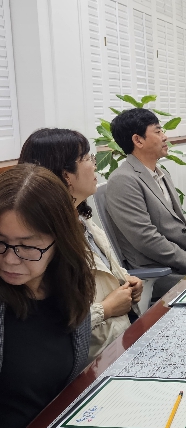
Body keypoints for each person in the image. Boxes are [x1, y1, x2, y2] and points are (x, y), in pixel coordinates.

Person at [18, 128, 143, 360]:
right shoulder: (43, 240)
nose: (94, 165)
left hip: (121, 335)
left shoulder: (81, 219)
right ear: (66, 174)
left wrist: (126, 280)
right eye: (87, 158)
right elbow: (49, 323)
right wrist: (106, 309)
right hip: (94, 357)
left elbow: (103, 270)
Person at [0, 164, 95, 428]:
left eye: (28, 246)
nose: (9, 260)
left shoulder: (70, 286)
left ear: (61, 241)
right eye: (0, 242)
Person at [105, 109, 186, 297]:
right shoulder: (123, 180)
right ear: (138, 140)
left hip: (180, 262)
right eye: (158, 131)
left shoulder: (161, 173)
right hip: (158, 274)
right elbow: (146, 238)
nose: (165, 136)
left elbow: (180, 220)